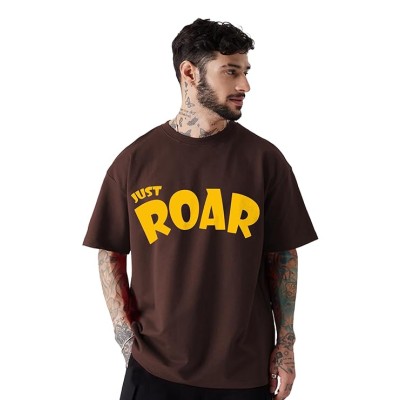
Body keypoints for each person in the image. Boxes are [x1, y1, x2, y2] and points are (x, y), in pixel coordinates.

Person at [83, 18, 318, 400]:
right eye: (231, 71)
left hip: (242, 373)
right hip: (155, 370)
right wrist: (125, 340)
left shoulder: (265, 161)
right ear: (189, 73)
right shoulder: (135, 161)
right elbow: (110, 252)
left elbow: (282, 256)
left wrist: (286, 345)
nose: (244, 85)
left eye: (245, 72)